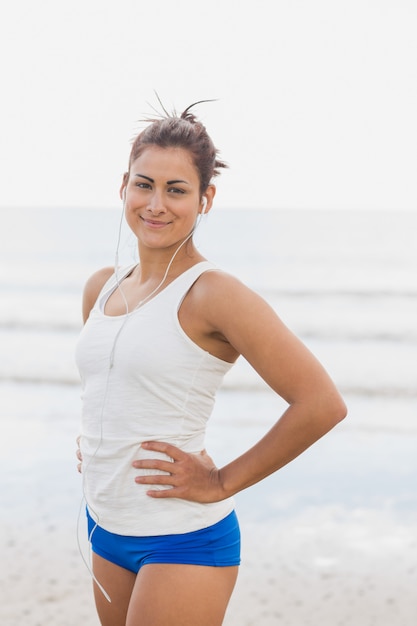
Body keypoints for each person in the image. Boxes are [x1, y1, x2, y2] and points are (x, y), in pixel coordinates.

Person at [75, 101, 347, 626]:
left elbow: (321, 404)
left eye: (176, 190)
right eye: (144, 184)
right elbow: (113, 380)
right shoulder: (102, 286)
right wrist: (97, 437)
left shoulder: (215, 294)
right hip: (104, 523)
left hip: (182, 537)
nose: (156, 204)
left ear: (206, 199)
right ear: (123, 187)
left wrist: (221, 481)